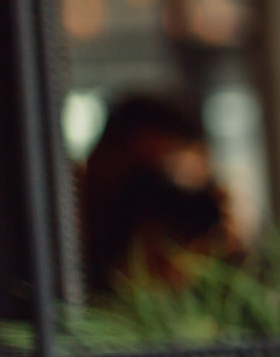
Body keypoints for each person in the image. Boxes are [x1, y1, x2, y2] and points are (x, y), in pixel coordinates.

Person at [77, 93, 242, 294]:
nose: (171, 204)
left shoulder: (204, 256)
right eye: (145, 181)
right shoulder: (68, 257)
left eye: (187, 192)